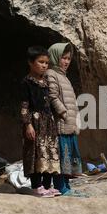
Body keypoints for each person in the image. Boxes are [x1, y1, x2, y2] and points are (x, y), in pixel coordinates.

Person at [20, 46, 61, 197]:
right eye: (40, 62)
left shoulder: (46, 82)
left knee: (49, 152)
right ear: (30, 62)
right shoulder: (27, 82)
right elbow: (24, 106)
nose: (44, 65)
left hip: (48, 123)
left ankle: (46, 185)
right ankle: (36, 186)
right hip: (34, 123)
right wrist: (28, 124)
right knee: (36, 153)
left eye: (46, 63)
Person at [46, 43, 84, 196]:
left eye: (68, 59)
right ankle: (60, 186)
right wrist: (64, 113)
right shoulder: (51, 74)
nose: (66, 62)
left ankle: (66, 186)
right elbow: (52, 96)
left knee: (68, 156)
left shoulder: (64, 76)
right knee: (62, 156)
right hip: (61, 124)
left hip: (69, 124)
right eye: (63, 58)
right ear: (55, 57)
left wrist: (75, 119)